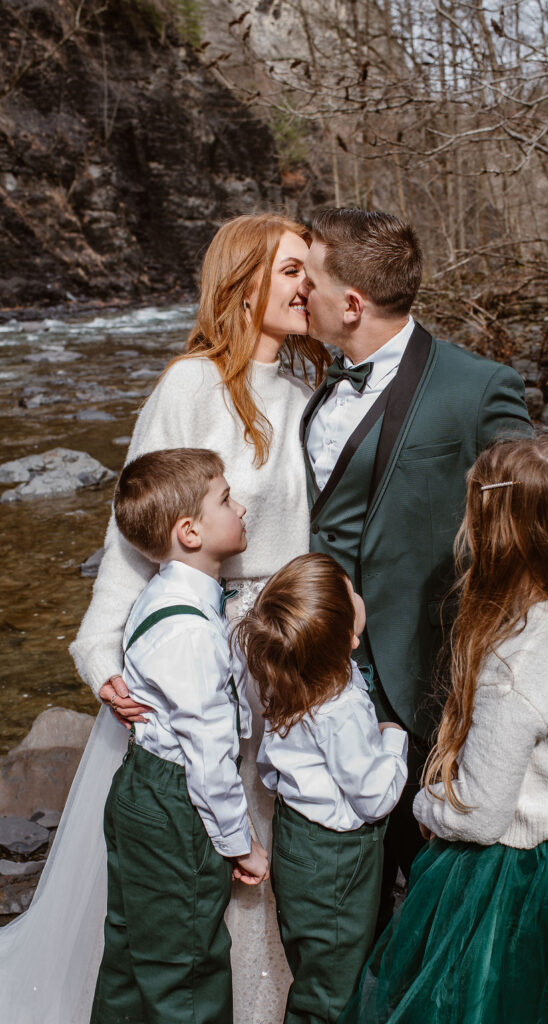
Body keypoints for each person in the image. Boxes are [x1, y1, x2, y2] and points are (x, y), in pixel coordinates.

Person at [0, 213, 328, 1024]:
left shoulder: (307, 386)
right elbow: (135, 525)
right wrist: (100, 644)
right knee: (204, 839)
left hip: (286, 650)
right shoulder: (190, 384)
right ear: (243, 279)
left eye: (308, 270)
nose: (305, 285)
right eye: (289, 270)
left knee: (269, 833)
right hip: (206, 654)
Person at [341, 437, 548, 1024]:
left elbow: (482, 816)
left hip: (522, 878)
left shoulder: (514, 668)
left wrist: (427, 802)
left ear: (498, 534)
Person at [299, 207, 534, 920]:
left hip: (426, 671)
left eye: (307, 279)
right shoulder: (317, 380)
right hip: (323, 668)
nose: (296, 293)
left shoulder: (478, 386)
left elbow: (527, 532)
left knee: (439, 885)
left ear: (350, 302)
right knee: (344, 887)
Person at [91, 448, 270, 1024]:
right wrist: (240, 843)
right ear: (189, 531)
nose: (240, 506)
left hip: (138, 789)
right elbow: (209, 759)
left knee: (128, 947)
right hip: (174, 806)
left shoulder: (165, 595)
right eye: (225, 498)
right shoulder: (192, 632)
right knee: (187, 967)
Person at [235, 552, 408, 1024]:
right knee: (331, 992)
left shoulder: (285, 676)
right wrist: (394, 743)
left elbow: (270, 769)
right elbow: (375, 798)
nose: (358, 593)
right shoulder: (340, 708)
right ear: (349, 639)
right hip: (338, 859)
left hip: (296, 839)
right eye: (352, 592)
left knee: (315, 965)